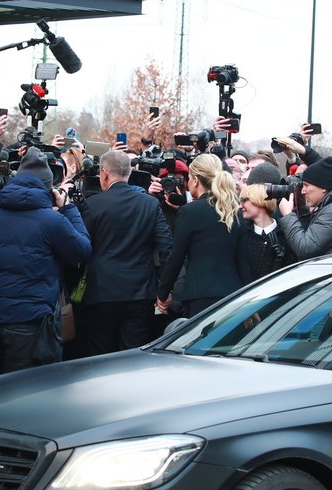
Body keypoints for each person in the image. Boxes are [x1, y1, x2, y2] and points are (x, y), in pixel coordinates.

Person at [0, 148, 91, 376]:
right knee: (23, 393)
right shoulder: (52, 220)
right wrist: (68, 208)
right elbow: (82, 250)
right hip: (29, 319)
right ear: (48, 186)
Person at [79, 150, 172, 355]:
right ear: (129, 173)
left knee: (101, 355)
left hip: (101, 291)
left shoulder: (92, 205)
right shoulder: (150, 203)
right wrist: (165, 289)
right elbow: (166, 247)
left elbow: (80, 247)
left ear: (104, 173)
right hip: (140, 292)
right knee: (132, 356)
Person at [157, 154, 245, 317]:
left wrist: (162, 294)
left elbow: (175, 257)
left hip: (200, 295)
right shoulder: (235, 212)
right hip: (233, 296)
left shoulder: (190, 212)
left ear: (196, 180)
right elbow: (243, 260)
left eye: (189, 178)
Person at [237, 183, 294, 282]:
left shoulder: (286, 231)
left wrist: (285, 257)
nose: (240, 206)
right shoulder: (241, 235)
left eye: (245, 200)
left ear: (260, 201)